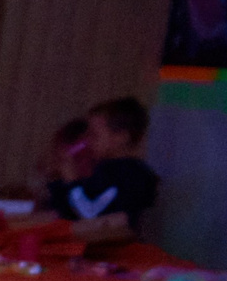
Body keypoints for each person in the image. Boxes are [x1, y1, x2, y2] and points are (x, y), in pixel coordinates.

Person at [48, 96, 159, 241]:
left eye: (94, 135)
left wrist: (71, 182)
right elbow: (68, 213)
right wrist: (58, 182)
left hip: (116, 253)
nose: (87, 141)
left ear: (121, 138)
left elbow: (90, 216)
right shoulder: (105, 169)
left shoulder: (129, 175)